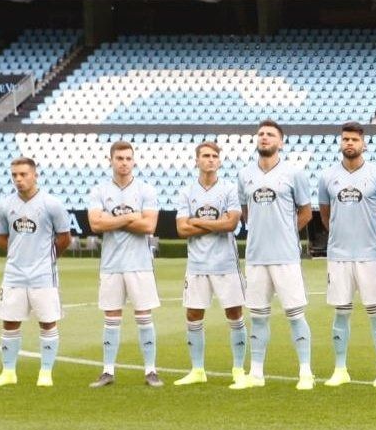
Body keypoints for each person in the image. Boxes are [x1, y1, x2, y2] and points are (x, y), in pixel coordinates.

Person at [234, 119, 314, 390]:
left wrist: (286, 232)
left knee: (295, 314)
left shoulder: (294, 174)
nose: (264, 137)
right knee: (258, 316)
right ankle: (256, 373)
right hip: (256, 257)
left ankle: (305, 372)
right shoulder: (244, 174)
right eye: (261, 134)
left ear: (281, 142)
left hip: (286, 257)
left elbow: (306, 212)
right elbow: (245, 212)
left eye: (270, 134)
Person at [318, 122, 376, 388]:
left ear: (364, 144)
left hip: (368, 255)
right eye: (345, 139)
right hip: (338, 255)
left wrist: (373, 238)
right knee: (341, 312)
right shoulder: (327, 176)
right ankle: (340, 369)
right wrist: (340, 235)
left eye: (354, 139)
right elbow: (325, 214)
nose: (349, 143)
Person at [0, 158, 69, 388]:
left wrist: (47, 259)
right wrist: (18, 255)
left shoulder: (51, 204)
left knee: (48, 322)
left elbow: (65, 238)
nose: (18, 179)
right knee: (9, 322)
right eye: (14, 175)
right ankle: (8, 372)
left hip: (43, 275)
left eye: (23, 174)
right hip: (14, 274)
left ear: (35, 175)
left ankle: (45, 372)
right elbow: (1, 238)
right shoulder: (5, 205)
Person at [88, 140, 161, 388]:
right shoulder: (99, 190)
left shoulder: (146, 190)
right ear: (110, 160)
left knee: (144, 316)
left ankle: (151, 370)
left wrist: (112, 219)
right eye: (119, 158)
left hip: (140, 264)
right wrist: (131, 216)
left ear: (134, 161)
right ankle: (108, 370)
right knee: (111, 316)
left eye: (128, 158)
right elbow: (96, 224)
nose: (124, 163)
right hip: (111, 264)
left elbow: (149, 226)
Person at [174, 141, 247, 386]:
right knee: (193, 314)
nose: (210, 159)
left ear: (220, 161)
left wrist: (196, 221)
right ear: (196, 160)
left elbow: (231, 224)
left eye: (215, 156)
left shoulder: (229, 189)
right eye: (205, 155)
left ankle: (238, 369)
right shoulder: (186, 192)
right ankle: (197, 370)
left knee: (234, 313)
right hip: (197, 264)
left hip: (226, 263)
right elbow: (181, 230)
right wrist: (216, 224)